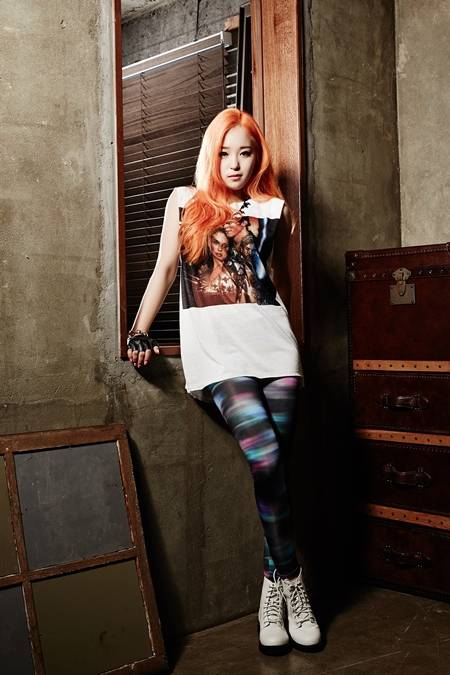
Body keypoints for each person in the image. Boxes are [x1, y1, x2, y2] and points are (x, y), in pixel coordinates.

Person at [126, 108, 323, 655]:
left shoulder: (274, 209)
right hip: (218, 351)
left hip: (274, 345)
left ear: (258, 157)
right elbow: (167, 268)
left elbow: (277, 280)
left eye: (246, 153)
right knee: (266, 458)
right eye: (225, 153)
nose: (235, 164)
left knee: (276, 467)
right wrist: (139, 330)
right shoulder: (185, 201)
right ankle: (293, 579)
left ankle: (271, 591)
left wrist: (293, 338)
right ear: (211, 154)